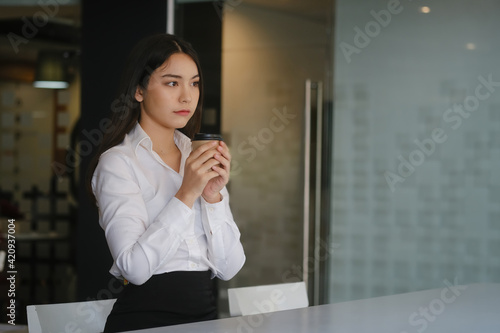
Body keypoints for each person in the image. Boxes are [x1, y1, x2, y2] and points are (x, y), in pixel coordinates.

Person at [86, 33, 246, 332]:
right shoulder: (118, 163)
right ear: (138, 91)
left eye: (194, 83)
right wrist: (187, 193)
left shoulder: (197, 156)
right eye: (172, 82)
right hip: (144, 321)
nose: (187, 96)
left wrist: (212, 197)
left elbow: (229, 268)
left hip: (205, 319)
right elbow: (134, 269)